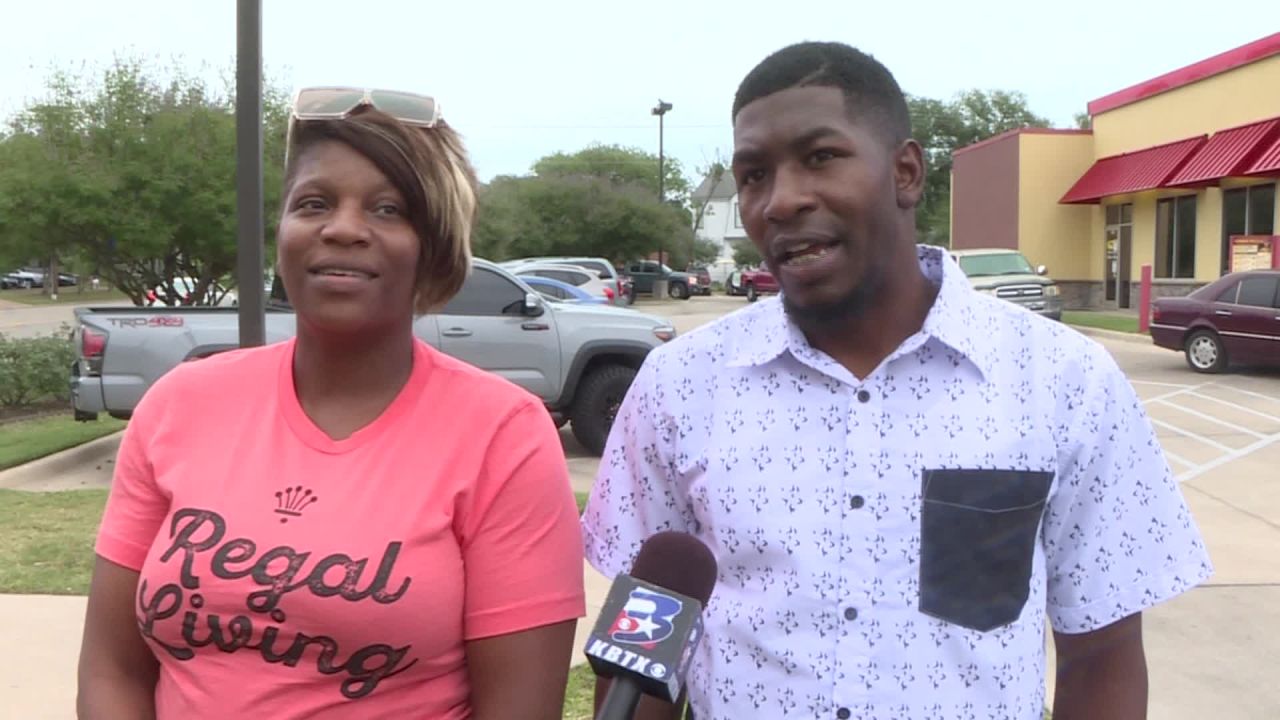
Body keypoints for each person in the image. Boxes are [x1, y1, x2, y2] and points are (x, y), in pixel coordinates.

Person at [582, 42, 1213, 720]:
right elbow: (646, 660)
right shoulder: (679, 386)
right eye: (754, 175)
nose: (781, 200)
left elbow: (1101, 658)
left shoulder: (1063, 381)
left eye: (820, 157)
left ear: (906, 173)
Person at [77, 87, 586, 719]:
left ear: (434, 246)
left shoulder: (503, 435)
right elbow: (112, 670)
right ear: (284, 232)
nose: (342, 228)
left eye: (388, 209)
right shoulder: (180, 404)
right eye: (314, 203)